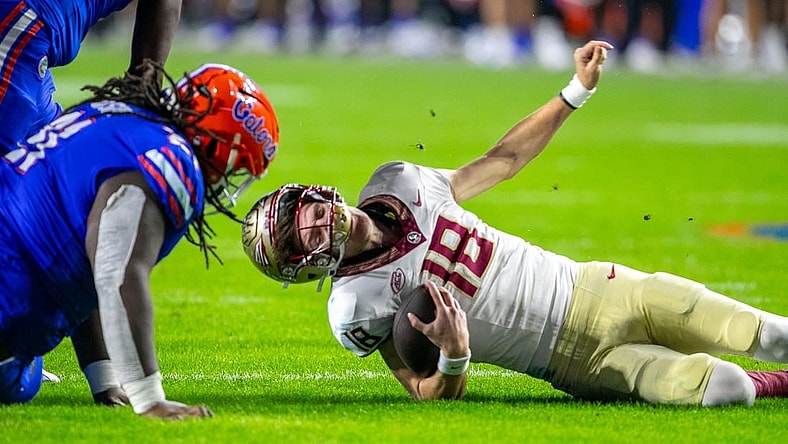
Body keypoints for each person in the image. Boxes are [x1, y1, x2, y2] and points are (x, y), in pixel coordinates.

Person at [241, 39, 788, 407]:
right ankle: (773, 387)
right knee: (728, 388)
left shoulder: (399, 182)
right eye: (302, 235)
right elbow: (423, 390)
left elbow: (503, 160)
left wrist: (576, 91)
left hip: (596, 287)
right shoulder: (354, 306)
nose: (316, 221)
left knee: (771, 333)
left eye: (305, 210)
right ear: (304, 264)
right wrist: (454, 357)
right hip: (578, 364)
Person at [0, 61, 280, 418]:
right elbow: (116, 273)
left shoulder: (113, 115)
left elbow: (86, 254)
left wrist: (105, 380)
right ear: (219, 146)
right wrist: (148, 396)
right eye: (236, 165)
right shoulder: (169, 161)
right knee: (19, 379)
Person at [0, 0, 183, 153]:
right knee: (34, 159)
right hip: (28, 16)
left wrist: (143, 82)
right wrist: (143, 83)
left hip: (31, 18)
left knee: (48, 159)